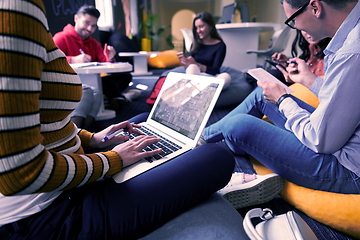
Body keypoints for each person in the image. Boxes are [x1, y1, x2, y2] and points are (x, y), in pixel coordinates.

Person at [0, 1, 241, 239]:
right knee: (217, 157)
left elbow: (47, 120)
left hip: (67, 173)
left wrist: (93, 138)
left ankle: (172, 152)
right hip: (47, 214)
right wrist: (113, 159)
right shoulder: (16, 8)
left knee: (144, 120)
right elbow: (20, 174)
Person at [199, 0, 360, 207]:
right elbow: (347, 99)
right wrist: (308, 79)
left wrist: (282, 99)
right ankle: (203, 137)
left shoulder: (351, 53)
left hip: (347, 166)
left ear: (315, 7)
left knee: (237, 125)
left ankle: (220, 142)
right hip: (343, 138)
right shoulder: (352, 39)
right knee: (260, 95)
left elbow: (322, 141)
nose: (296, 27)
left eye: (292, 20)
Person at [53, 4, 139, 112]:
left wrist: (110, 58)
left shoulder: (93, 43)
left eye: (93, 26)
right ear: (76, 18)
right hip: (70, 82)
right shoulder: (61, 38)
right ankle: (118, 98)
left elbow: (105, 63)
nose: (89, 29)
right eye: (87, 23)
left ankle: (111, 98)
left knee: (125, 76)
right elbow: (50, 60)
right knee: (106, 83)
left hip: (93, 80)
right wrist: (73, 60)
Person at [178, 11, 232, 89]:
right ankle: (206, 88)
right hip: (197, 75)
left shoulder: (220, 46)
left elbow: (215, 70)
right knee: (192, 67)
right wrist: (187, 63)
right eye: (196, 28)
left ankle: (200, 87)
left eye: (201, 26)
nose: (198, 31)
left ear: (210, 26)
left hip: (211, 77)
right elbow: (191, 69)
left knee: (226, 77)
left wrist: (196, 64)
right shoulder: (195, 44)